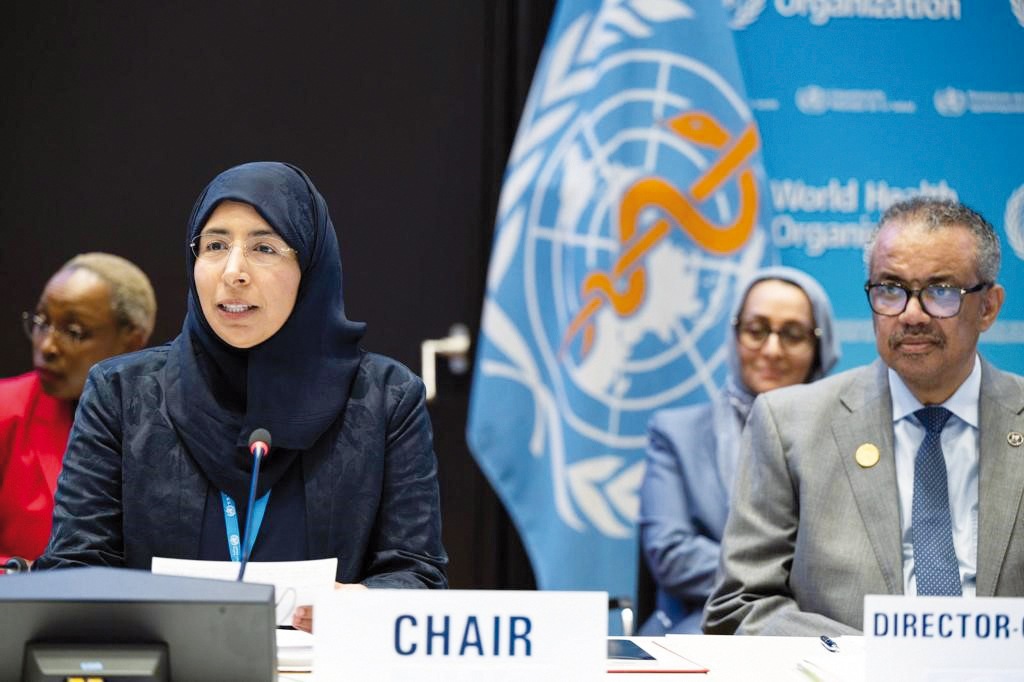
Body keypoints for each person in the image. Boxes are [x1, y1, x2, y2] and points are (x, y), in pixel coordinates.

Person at [34, 162, 448, 630]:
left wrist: (358, 606)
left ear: (310, 266)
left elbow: (419, 578)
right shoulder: (121, 393)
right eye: (214, 246)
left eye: (264, 247)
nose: (233, 271)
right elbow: (73, 568)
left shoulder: (385, 400)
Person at [703, 197, 1024, 635]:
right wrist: (869, 660)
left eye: (941, 291)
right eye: (890, 289)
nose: (912, 315)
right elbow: (741, 605)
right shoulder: (791, 425)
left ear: (988, 307)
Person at [637, 266, 841, 634]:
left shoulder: (846, 435)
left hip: (814, 632)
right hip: (696, 624)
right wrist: (770, 583)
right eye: (756, 330)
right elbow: (671, 553)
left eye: (793, 334)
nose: (772, 349)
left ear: (819, 348)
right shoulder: (676, 433)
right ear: (734, 335)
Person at [0, 253, 155, 565]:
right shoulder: (6, 410)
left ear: (132, 342)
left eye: (74, 332)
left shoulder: (161, 423)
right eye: (42, 323)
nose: (47, 347)